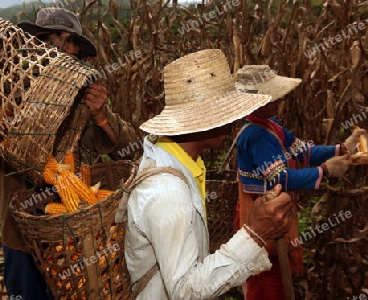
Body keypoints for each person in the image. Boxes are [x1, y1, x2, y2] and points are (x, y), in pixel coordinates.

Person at [0, 7, 138, 300]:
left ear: (77, 50)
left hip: (78, 234)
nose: (56, 48)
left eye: (66, 41)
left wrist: (101, 114)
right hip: (21, 236)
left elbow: (130, 149)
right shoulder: (7, 89)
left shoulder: (85, 98)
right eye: (47, 39)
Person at [124, 49, 295, 299]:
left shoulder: (182, 163)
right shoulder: (167, 191)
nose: (235, 122)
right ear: (203, 122)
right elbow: (184, 291)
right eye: (228, 114)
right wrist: (254, 233)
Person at [233, 65, 363, 299]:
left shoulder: (271, 125)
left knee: (272, 281)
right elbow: (280, 178)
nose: (279, 101)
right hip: (260, 218)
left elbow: (303, 152)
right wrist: (325, 170)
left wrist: (342, 148)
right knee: (266, 285)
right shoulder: (254, 135)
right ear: (256, 103)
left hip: (271, 216)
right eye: (273, 97)